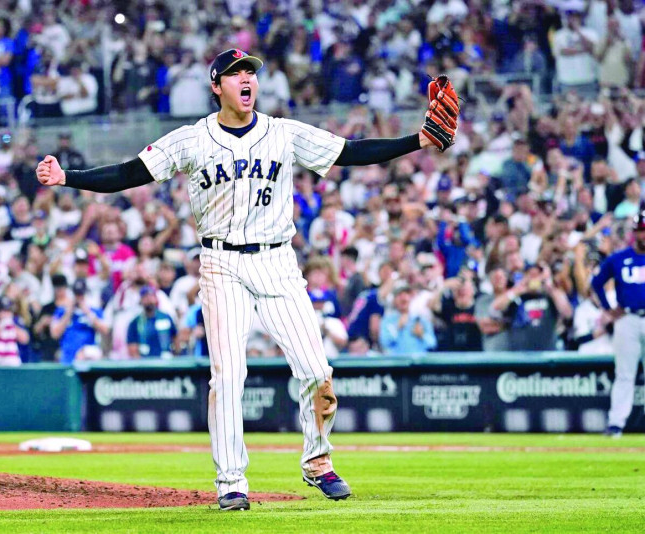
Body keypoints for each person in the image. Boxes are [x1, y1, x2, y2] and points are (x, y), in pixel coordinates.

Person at [36, 48, 459, 510]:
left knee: (318, 371)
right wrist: (67, 178)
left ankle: (318, 463)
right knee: (228, 376)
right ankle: (231, 481)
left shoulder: (282, 132)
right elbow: (127, 174)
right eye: (236, 74)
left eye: (251, 74)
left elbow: (349, 152)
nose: (246, 80)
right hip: (221, 264)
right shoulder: (192, 140)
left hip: (278, 261)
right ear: (217, 86)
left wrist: (418, 140)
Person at [591, 210, 645, 438]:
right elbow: (596, 282)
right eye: (642, 231)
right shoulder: (619, 258)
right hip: (628, 319)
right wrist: (608, 309)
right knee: (624, 374)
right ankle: (616, 424)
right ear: (635, 233)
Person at [50, 278, 108, 363]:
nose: (79, 297)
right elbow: (54, 333)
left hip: (87, 357)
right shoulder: (61, 311)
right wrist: (68, 312)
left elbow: (105, 330)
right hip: (67, 357)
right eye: (77, 294)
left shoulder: (94, 311)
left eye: (81, 294)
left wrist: (87, 312)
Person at [126, 285, 178, 358]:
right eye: (145, 297)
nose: (149, 299)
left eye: (151, 296)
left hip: (166, 361)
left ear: (156, 298)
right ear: (141, 300)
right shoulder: (135, 322)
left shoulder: (166, 317)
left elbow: (175, 338)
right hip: (146, 363)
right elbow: (132, 348)